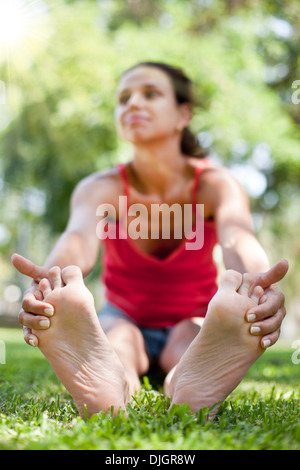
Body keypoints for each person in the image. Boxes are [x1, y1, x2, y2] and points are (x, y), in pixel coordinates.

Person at [12, 61, 288, 418]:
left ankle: (189, 381)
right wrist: (52, 281)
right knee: (119, 344)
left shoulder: (216, 184)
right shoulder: (101, 188)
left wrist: (257, 285)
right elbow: (78, 237)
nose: (133, 104)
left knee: (188, 343)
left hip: (193, 317)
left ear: (182, 114)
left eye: (151, 94)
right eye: (123, 98)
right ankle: (112, 382)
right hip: (123, 315)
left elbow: (238, 238)